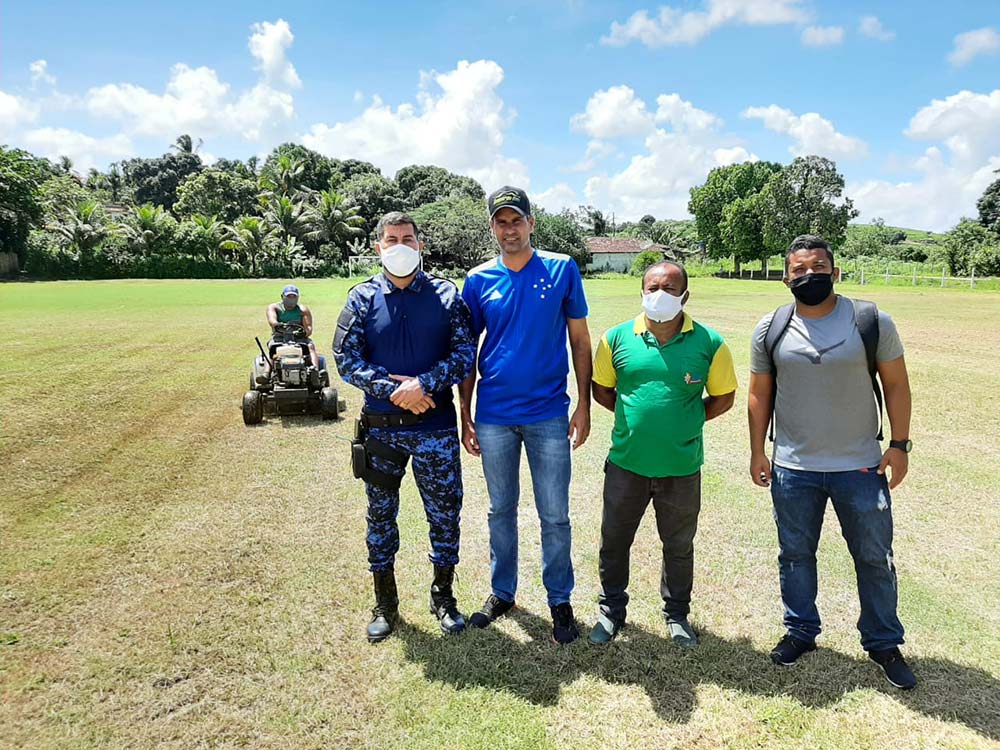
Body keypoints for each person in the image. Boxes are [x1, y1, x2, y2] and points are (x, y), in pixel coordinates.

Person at [748, 234, 916, 690]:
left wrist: (899, 445)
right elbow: (759, 395)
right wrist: (758, 450)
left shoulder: (870, 320)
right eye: (799, 270)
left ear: (835, 272)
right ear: (785, 277)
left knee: (874, 558)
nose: (809, 276)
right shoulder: (771, 327)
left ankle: (882, 641)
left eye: (819, 268)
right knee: (796, 555)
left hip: (860, 466)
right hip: (793, 468)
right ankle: (801, 630)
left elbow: (897, 385)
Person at [459, 186, 593, 645]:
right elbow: (466, 350)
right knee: (501, 510)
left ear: (531, 223)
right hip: (494, 414)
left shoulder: (560, 269)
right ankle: (503, 592)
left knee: (554, 514)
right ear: (492, 227)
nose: (509, 228)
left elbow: (579, 339)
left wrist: (584, 404)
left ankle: (560, 598)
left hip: (548, 414)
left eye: (516, 220)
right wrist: (464, 410)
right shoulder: (477, 280)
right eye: (501, 221)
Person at [334, 211, 476, 643]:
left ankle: (443, 597)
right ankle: (385, 603)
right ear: (378, 246)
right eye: (391, 238)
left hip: (435, 428)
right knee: (380, 516)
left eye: (408, 238)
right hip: (381, 431)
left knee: (445, 515)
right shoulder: (361, 298)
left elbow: (465, 353)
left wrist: (422, 384)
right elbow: (346, 360)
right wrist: (394, 390)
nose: (400, 245)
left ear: (419, 245)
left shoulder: (447, 295)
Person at [589, 261, 737, 646]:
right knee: (615, 541)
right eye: (652, 287)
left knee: (678, 545)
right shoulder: (615, 338)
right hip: (627, 464)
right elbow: (603, 391)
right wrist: (636, 419)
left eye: (670, 289)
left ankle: (677, 615)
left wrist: (686, 421)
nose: (660, 295)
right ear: (641, 292)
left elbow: (724, 397)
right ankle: (611, 610)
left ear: (686, 296)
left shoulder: (710, 343)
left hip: (681, 467)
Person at [267, 285, 320, 368]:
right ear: (282, 296)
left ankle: (315, 370)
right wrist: (278, 325)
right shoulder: (274, 308)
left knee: (310, 346)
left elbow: (309, 328)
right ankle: (266, 373)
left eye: (294, 297)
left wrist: (303, 332)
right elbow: (272, 321)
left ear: (297, 297)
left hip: (299, 338)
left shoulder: (303, 310)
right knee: (273, 349)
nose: (291, 299)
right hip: (279, 337)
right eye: (288, 296)